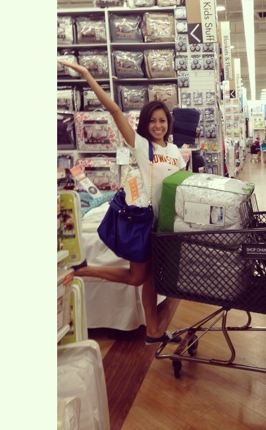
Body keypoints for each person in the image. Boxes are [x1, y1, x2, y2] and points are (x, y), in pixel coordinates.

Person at [59, 59, 186, 346]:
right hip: (142, 222)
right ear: (145, 124)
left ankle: (153, 331)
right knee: (137, 277)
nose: (158, 125)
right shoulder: (141, 145)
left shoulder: (175, 151)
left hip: (163, 224)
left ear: (168, 123)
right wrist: (86, 74)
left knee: (151, 278)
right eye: (152, 120)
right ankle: (82, 269)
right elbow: (115, 110)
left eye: (162, 120)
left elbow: (180, 185)